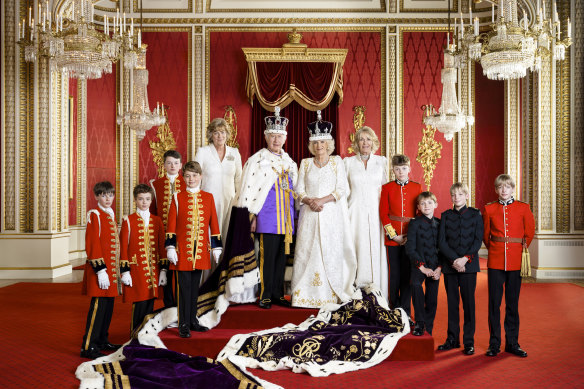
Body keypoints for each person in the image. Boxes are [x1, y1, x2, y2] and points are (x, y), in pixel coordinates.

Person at [291, 111, 357, 308]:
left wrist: (321, 200)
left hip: (330, 215)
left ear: (329, 143)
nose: (320, 146)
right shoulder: (305, 163)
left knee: (328, 251)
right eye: (316, 143)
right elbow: (298, 190)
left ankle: (330, 294)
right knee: (307, 251)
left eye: (323, 142)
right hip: (309, 215)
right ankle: (303, 296)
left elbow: (341, 190)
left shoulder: (337, 162)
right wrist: (310, 201)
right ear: (312, 145)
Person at [235, 106, 297, 309]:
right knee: (266, 258)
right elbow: (249, 190)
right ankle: (265, 295)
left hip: (286, 219)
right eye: (272, 136)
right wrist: (251, 217)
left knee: (281, 258)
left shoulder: (290, 162)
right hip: (267, 218)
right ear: (266, 137)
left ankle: (278, 294)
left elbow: (295, 191)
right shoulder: (257, 161)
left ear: (284, 138)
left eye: (279, 136)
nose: (276, 140)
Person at [165, 161, 223, 338]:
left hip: (200, 251)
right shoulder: (177, 197)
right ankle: (183, 323)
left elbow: (214, 223)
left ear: (200, 177)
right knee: (184, 289)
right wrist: (170, 247)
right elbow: (171, 225)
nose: (191, 179)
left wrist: (216, 247)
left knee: (194, 288)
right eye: (188, 176)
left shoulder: (208, 197)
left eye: (194, 176)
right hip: (182, 251)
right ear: (183, 178)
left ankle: (192, 320)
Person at [483, 174, 535, 358]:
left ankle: (512, 343)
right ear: (496, 189)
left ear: (513, 189)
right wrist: (497, 249)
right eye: (500, 187)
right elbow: (486, 235)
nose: (504, 190)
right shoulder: (489, 209)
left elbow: (529, 233)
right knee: (494, 304)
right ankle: (494, 344)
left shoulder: (523, 207)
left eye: (507, 187)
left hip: (515, 262)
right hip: (496, 261)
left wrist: (516, 251)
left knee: (512, 304)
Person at [437, 183, 483, 355]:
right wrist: (454, 260)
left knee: (469, 305)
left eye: (460, 194)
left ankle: (469, 342)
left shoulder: (475, 215)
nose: (456, 197)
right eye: (453, 195)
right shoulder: (446, 215)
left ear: (466, 196)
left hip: (469, 266)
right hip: (450, 267)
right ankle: (452, 339)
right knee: (452, 304)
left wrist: (464, 260)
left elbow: (477, 240)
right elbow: (442, 242)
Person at [344, 126, 389, 299]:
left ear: (374, 142)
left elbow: (385, 190)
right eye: (362, 139)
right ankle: (355, 290)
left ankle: (376, 289)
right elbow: (344, 190)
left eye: (368, 139)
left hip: (376, 212)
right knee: (355, 248)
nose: (365, 143)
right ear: (356, 142)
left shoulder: (381, 162)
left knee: (375, 248)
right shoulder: (347, 163)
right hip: (353, 213)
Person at [119, 184, 168, 337]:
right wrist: (125, 272)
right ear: (135, 200)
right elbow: (123, 248)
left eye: (147, 199)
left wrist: (164, 270)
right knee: (139, 303)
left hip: (153, 270)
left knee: (150, 304)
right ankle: (135, 335)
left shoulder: (157, 220)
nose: (144, 202)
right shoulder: (128, 221)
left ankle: (146, 336)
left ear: (151, 200)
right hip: (136, 270)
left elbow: (162, 247)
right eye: (140, 199)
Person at [80, 181, 122, 359]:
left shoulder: (109, 214)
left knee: (107, 308)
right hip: (101, 272)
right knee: (97, 309)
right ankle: (88, 346)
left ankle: (102, 340)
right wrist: (100, 270)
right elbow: (92, 244)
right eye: (103, 195)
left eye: (110, 195)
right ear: (96, 196)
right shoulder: (95, 215)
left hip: (111, 271)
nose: (107, 198)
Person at [379, 155, 422, 320]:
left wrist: (410, 236)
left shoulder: (417, 187)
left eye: (404, 168)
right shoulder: (387, 187)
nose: (401, 172)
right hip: (393, 239)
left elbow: (418, 214)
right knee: (394, 273)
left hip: (410, 238)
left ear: (409, 169)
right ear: (393, 170)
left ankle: (405, 309)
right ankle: (393, 307)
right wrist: (394, 236)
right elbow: (384, 213)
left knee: (408, 273)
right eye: (397, 169)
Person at [195, 118, 242, 240]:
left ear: (227, 134)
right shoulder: (203, 152)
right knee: (209, 235)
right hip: (208, 200)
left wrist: (239, 201)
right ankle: (209, 260)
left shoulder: (234, 153)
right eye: (216, 132)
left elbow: (239, 179)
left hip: (229, 201)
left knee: (228, 235)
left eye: (223, 132)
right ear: (211, 135)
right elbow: (195, 178)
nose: (220, 136)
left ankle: (224, 260)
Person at [150, 149, 185, 308]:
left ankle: (181, 303)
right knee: (165, 270)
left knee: (181, 269)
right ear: (163, 165)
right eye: (169, 163)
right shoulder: (155, 184)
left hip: (182, 234)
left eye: (176, 163)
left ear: (181, 165)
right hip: (163, 234)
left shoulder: (187, 183)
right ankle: (169, 304)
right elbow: (152, 211)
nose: (173, 166)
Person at [405, 191, 441, 337]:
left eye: (429, 203)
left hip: (435, 265)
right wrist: (422, 267)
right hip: (419, 264)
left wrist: (439, 268)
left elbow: (443, 248)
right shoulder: (414, 223)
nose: (426, 206)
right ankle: (420, 322)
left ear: (435, 205)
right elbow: (410, 247)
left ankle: (429, 325)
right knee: (415, 285)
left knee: (432, 297)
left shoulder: (440, 223)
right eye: (423, 203)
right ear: (418, 206)